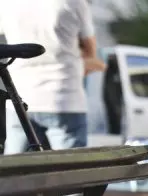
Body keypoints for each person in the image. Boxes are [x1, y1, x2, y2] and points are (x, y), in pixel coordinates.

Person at [1, 0, 106, 154]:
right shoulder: (73, 2)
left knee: (15, 171)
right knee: (69, 170)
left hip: (19, 97)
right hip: (63, 98)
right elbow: (90, 52)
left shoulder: (7, 3)